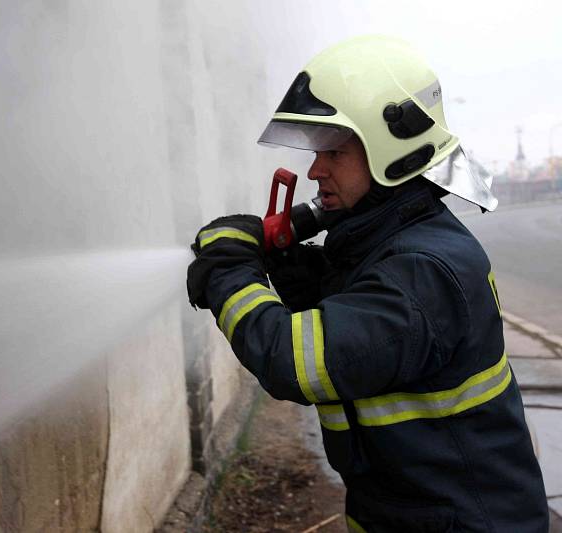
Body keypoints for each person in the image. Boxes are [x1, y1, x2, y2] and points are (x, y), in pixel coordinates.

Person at [186, 35, 548, 532]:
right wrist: (292, 268)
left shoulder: (425, 269)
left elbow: (296, 361)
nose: (315, 170)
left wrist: (230, 273)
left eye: (333, 151)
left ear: (390, 151)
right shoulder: (388, 245)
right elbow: (360, 320)